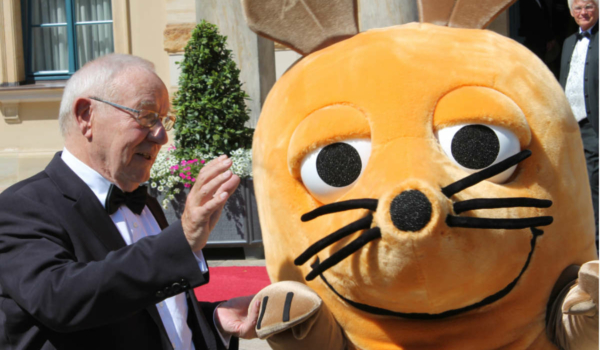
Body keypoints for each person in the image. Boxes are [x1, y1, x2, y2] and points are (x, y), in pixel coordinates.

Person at [0, 54, 259, 350]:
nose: (161, 136)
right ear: (86, 116)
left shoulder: (147, 203)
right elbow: (61, 300)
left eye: (164, 120)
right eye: (146, 116)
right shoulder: (20, 207)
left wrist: (215, 319)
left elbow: (153, 314)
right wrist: (182, 238)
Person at [559, 0, 599, 248]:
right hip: (573, 128)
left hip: (595, 126)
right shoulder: (568, 43)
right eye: (578, 8)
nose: (583, 12)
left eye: (589, 7)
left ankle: (595, 241)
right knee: (575, 184)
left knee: (595, 183)